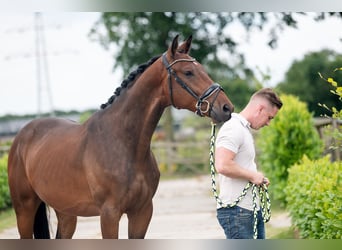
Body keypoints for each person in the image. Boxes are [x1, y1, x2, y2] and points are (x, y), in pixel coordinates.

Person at [215, 88, 283, 239]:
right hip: (237, 211)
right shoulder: (233, 128)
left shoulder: (242, 129)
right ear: (260, 109)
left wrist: (257, 178)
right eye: (269, 117)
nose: (268, 123)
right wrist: (253, 176)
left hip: (247, 209)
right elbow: (222, 165)